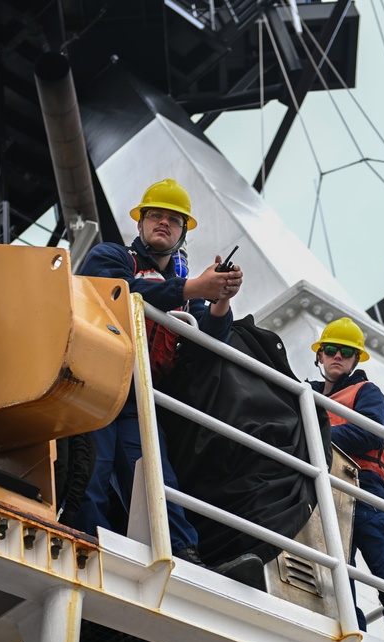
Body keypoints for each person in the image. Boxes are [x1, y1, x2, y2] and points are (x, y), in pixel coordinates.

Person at [73, 178, 264, 587]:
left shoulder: (188, 293)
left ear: (182, 232)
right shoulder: (112, 256)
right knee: (93, 467)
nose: (163, 223)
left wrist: (220, 301)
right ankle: (85, 546)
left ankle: (186, 561)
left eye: (173, 220)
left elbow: (207, 346)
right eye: (155, 216)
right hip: (96, 381)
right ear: (140, 224)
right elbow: (115, 293)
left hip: (140, 397)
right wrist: (196, 287)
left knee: (156, 478)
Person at [309, 318, 384, 642]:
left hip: (364, 486)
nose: (337, 357)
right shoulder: (306, 393)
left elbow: (369, 432)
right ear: (320, 356)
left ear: (356, 359)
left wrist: (317, 434)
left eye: (346, 352)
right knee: (337, 564)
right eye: (330, 350)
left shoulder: (367, 392)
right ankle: (351, 629)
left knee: (383, 560)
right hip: (322, 485)